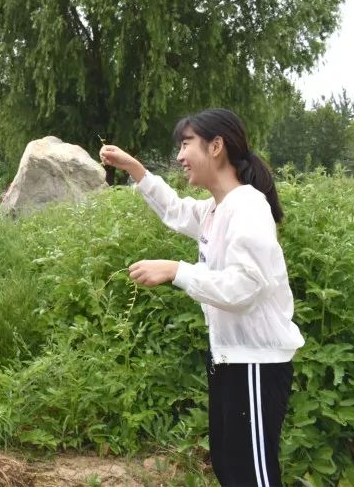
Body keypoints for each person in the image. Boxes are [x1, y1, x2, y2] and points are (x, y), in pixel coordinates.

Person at [100, 108, 305, 487]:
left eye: (185, 144)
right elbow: (176, 211)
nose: (179, 156)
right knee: (229, 466)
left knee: (252, 476)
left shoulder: (248, 207)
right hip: (230, 358)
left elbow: (244, 288)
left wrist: (177, 271)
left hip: (255, 364)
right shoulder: (217, 208)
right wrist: (134, 169)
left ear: (216, 146)